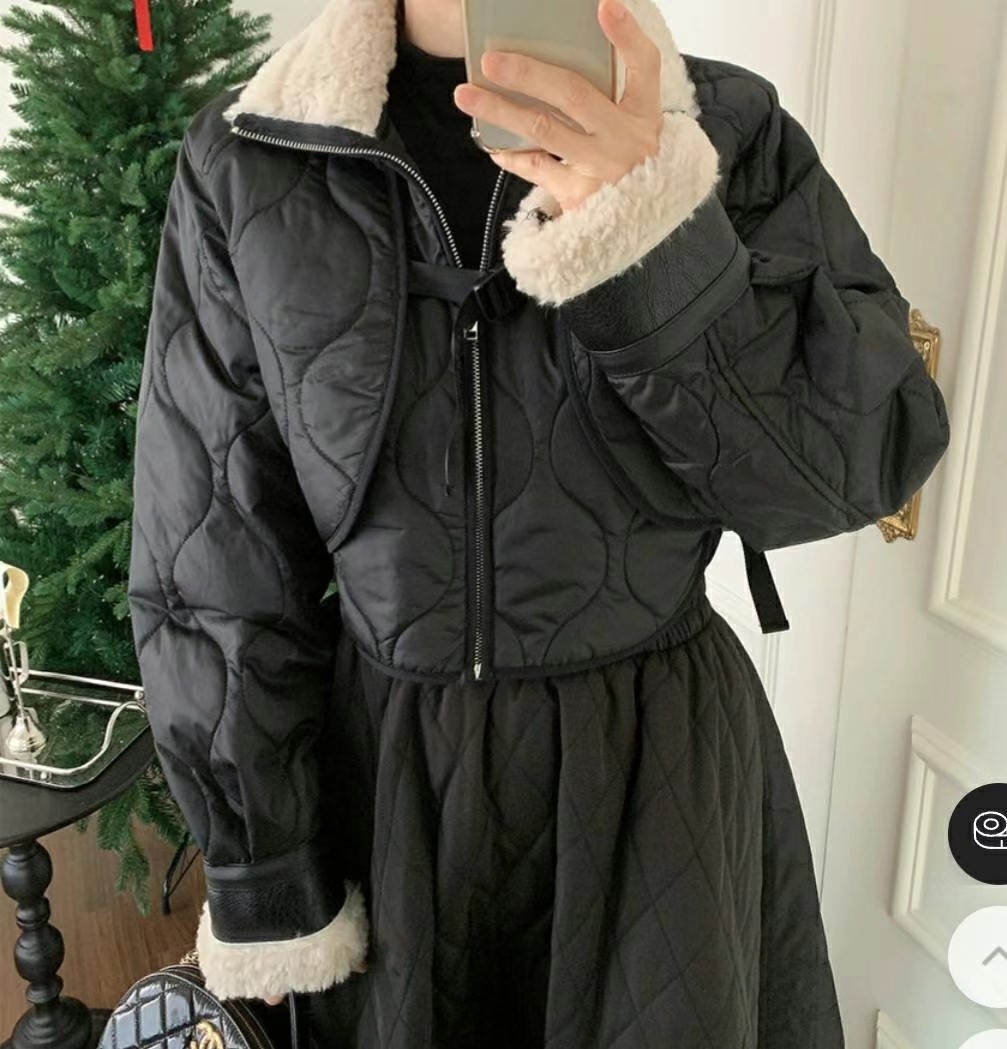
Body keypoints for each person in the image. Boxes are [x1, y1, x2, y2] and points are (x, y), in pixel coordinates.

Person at [126, 0, 951, 1044]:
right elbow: (212, 556)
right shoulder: (253, 158)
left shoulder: (724, 127)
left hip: (660, 787)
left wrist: (652, 226)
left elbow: (860, 461)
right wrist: (266, 873)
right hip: (386, 796)